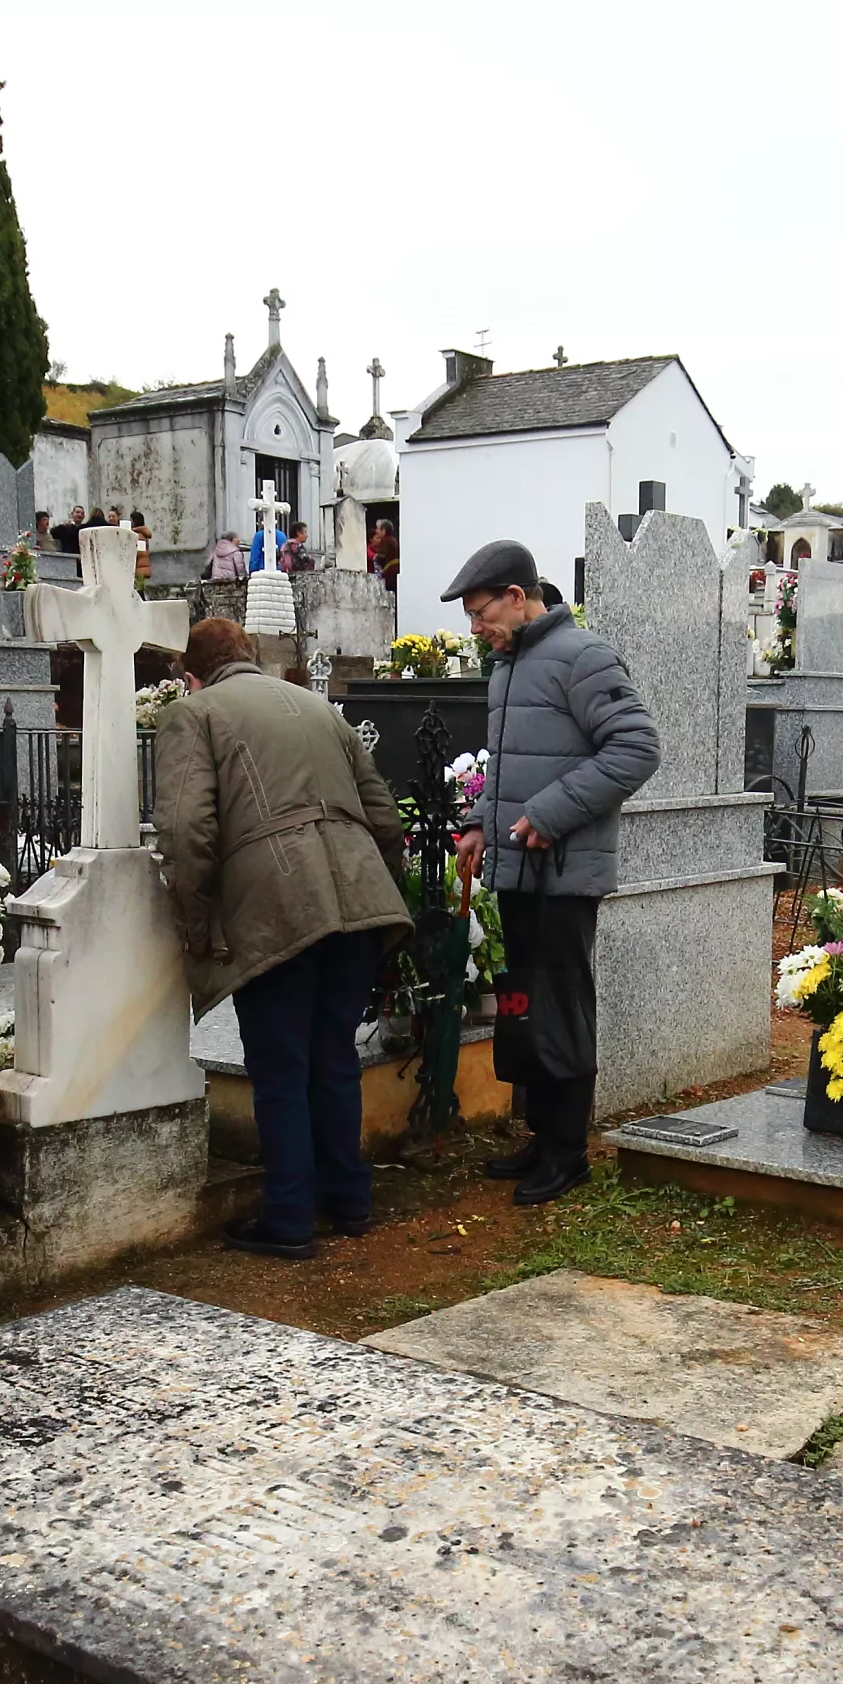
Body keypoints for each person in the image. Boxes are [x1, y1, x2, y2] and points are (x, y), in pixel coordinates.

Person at [155, 616, 413, 1259]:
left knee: (278, 1067)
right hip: (357, 901)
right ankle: (349, 1201)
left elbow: (187, 829)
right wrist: (383, 891)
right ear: (250, 657)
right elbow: (383, 816)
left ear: (193, 674)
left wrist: (194, 922)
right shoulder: (319, 707)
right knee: (332, 1057)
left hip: (279, 908)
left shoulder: (197, 713)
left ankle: (289, 1219)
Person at [446, 539, 660, 1205]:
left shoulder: (582, 655)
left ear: (517, 596)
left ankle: (568, 1152)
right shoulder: (509, 665)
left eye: (481, 613)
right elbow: (510, 764)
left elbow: (637, 746)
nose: (476, 628)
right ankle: (541, 1135)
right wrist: (482, 819)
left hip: (564, 873)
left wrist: (550, 812)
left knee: (560, 1007)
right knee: (522, 1005)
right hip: (520, 871)